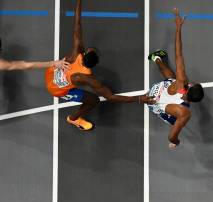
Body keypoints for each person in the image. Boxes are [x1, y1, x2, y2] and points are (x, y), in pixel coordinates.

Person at [45, 0, 154, 131]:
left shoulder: (76, 53)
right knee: (94, 100)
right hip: (56, 89)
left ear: (84, 54)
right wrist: (140, 98)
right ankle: (73, 119)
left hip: (50, 72)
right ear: (95, 64)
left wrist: (79, 2)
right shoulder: (88, 78)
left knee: (65, 60)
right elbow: (111, 97)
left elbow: (77, 25)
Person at [147, 8, 204, 148]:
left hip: (156, 92)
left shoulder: (181, 81)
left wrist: (178, 28)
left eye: (195, 84)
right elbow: (171, 137)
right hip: (152, 101)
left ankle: (157, 59)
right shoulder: (185, 112)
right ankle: (157, 59)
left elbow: (178, 53)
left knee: (172, 78)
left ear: (189, 86)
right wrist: (175, 143)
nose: (193, 82)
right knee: (177, 121)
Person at [0, 37, 68, 72]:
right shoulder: (2, 64)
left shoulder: (2, 64)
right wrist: (53, 63)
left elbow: (27, 66)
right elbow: (27, 66)